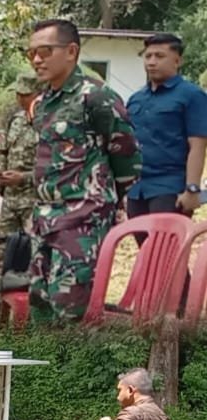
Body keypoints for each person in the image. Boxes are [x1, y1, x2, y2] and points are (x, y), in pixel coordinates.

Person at [25, 19, 141, 323]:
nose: (37, 59)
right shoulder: (45, 101)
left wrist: (112, 201)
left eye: (46, 51)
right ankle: (44, 370)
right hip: (45, 217)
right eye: (32, 53)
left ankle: (76, 370)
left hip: (82, 217)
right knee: (40, 304)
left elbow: (125, 152)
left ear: (71, 51)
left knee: (71, 309)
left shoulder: (96, 97)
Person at [125, 33, 206, 222]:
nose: (152, 62)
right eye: (148, 56)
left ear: (177, 61)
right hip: (137, 190)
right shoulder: (136, 99)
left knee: (167, 249)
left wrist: (192, 189)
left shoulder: (192, 95)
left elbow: (198, 146)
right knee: (145, 250)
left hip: (169, 188)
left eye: (159, 56)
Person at [0, 73, 41, 265]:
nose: (20, 99)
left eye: (25, 95)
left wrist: (24, 177)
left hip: (34, 198)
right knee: (5, 247)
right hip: (11, 197)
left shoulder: (47, 122)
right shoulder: (16, 120)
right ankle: (0, 285)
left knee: (33, 249)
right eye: (18, 94)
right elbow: (1, 148)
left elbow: (56, 166)